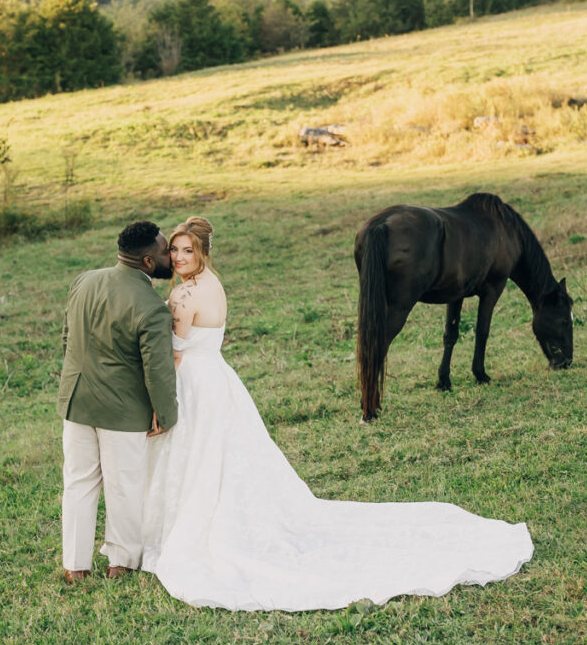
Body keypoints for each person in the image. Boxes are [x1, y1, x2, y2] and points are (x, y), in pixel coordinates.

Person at [141, 217, 534, 611]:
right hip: (219, 380)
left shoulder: (182, 299)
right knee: (220, 460)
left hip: (194, 383)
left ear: (202, 252)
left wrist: (159, 404)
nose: (177, 257)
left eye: (186, 250)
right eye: (174, 250)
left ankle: (188, 529)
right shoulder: (213, 284)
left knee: (199, 460)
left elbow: (173, 355)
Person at [58, 221, 178, 584]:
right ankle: (121, 563)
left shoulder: (85, 280)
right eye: (163, 251)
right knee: (124, 485)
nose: (169, 255)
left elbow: (67, 336)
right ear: (147, 262)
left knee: (78, 482)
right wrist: (166, 413)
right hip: (122, 410)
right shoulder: (151, 307)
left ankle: (75, 568)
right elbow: (157, 371)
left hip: (76, 400)